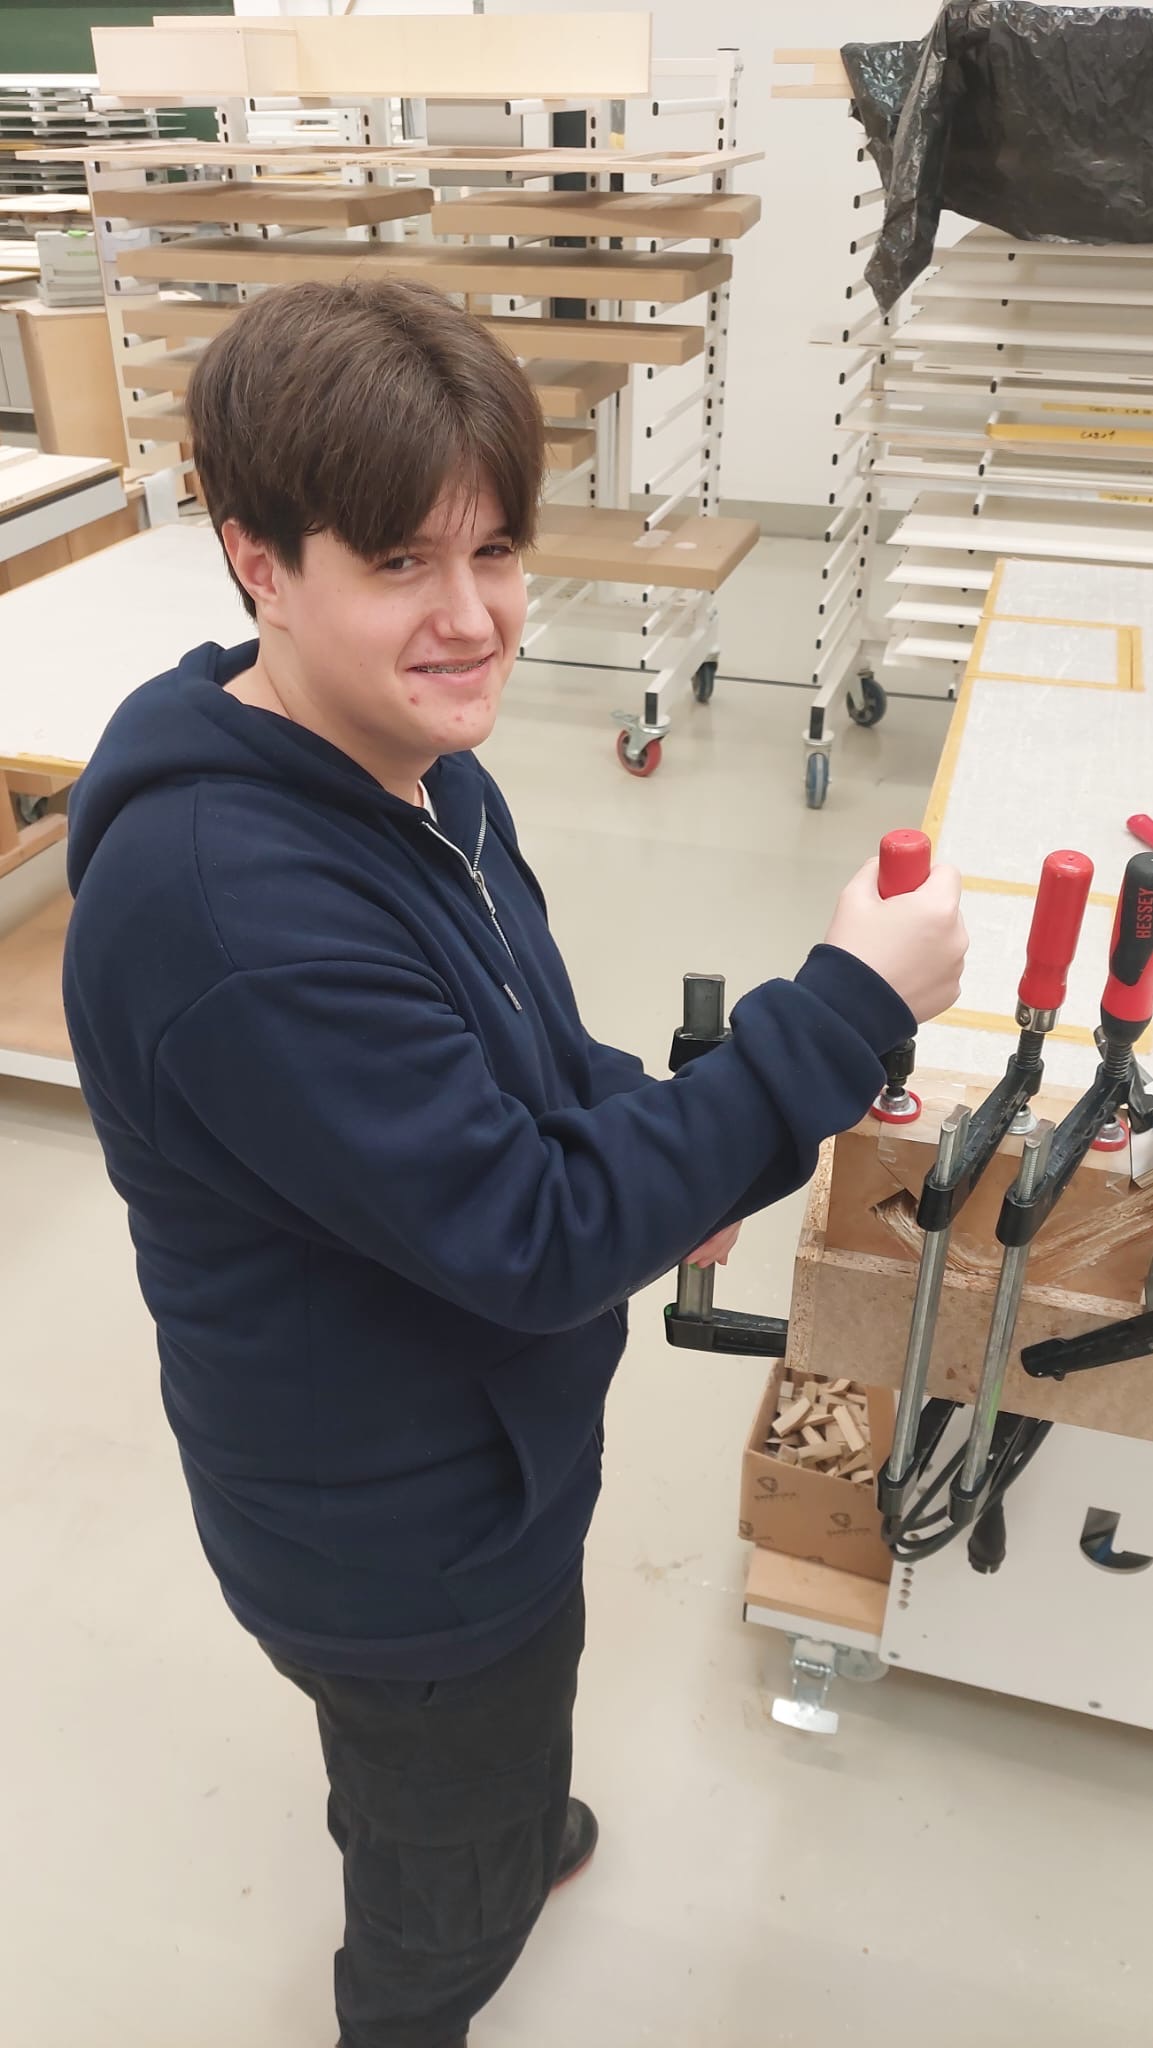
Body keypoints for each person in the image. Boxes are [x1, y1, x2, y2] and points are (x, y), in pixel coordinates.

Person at [62, 277, 967, 2048]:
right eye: (401, 561)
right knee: (437, 1842)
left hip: (470, 1451)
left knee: (473, 1752)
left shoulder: (403, 761)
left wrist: (680, 1139)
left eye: (494, 550)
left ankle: (490, 1818)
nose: (472, 617)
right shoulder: (234, 917)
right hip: (399, 1539)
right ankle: (429, 1958)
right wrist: (839, 1015)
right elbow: (536, 1232)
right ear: (259, 564)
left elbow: (523, 1062)